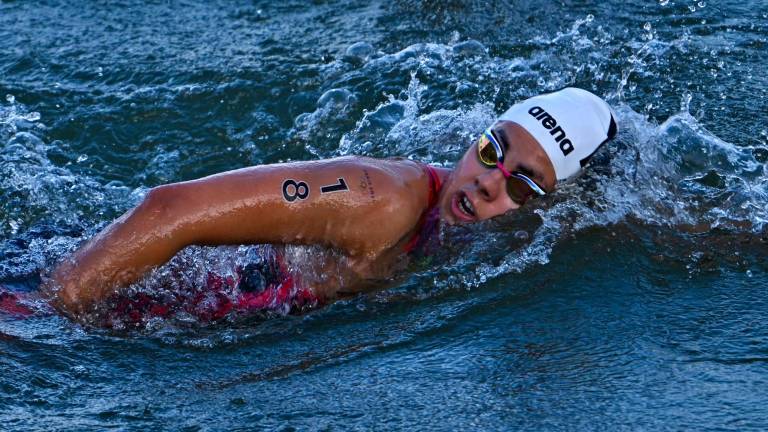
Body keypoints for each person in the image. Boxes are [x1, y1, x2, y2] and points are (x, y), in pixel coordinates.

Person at [41, 87, 617, 323]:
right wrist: (50, 314)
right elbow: (168, 210)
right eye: (492, 149)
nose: (490, 181)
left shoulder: (499, 236)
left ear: (555, 203)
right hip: (75, 297)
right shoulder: (381, 200)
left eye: (524, 186)